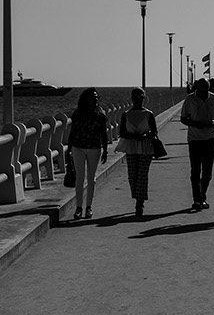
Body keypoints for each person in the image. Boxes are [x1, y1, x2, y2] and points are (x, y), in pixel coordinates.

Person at [180, 77, 214, 211]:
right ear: (197, 89)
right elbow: (183, 118)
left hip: (210, 138)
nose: (203, 94)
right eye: (201, 91)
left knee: (207, 173)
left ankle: (202, 196)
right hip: (195, 139)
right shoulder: (189, 99)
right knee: (195, 171)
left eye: (206, 91)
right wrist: (194, 124)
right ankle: (197, 200)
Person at [115, 87, 159, 216]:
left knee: (142, 175)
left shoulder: (149, 114)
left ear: (143, 99)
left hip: (145, 147)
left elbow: (154, 131)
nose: (138, 100)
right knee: (132, 175)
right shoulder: (126, 114)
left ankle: (139, 203)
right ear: (132, 99)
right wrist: (133, 136)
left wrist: (145, 136)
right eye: (135, 98)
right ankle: (137, 196)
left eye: (140, 98)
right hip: (131, 147)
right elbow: (122, 132)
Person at [67, 87, 108, 219]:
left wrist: (106, 150)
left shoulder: (100, 114)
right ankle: (79, 207)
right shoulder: (78, 114)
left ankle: (88, 207)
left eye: (97, 98)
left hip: (94, 148)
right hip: (78, 147)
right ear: (86, 99)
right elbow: (72, 132)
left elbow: (104, 134)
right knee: (80, 178)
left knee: (91, 178)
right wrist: (69, 149)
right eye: (93, 98)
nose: (96, 100)